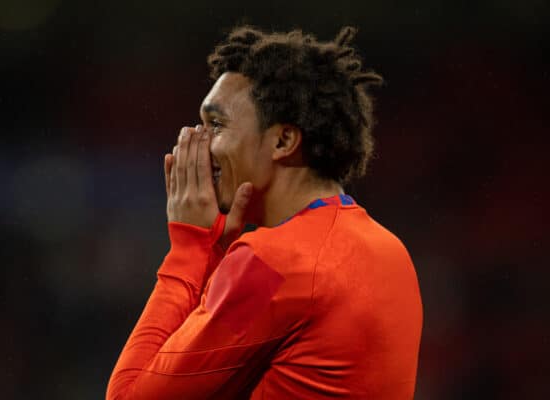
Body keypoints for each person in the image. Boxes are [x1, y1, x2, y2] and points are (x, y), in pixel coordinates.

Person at [106, 25, 422, 400]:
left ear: (283, 141)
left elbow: (128, 397)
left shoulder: (273, 263)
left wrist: (189, 249)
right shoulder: (391, 251)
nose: (197, 143)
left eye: (216, 125)